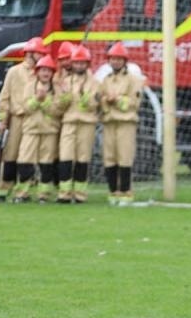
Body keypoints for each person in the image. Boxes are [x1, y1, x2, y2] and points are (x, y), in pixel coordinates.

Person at [0, 36, 45, 202]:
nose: (41, 56)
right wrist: (3, 119)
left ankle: (23, 191)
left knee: (28, 156)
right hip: (16, 118)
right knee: (10, 155)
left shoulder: (42, 73)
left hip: (34, 118)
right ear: (30, 53)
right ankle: (3, 189)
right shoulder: (14, 72)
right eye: (39, 53)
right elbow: (5, 97)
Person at [96, 43, 145, 204]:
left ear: (124, 61)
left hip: (126, 122)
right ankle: (113, 191)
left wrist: (116, 99)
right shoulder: (106, 79)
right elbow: (100, 98)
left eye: (118, 59)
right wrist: (106, 101)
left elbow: (134, 102)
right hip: (109, 121)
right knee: (109, 157)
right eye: (113, 59)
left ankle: (125, 191)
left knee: (125, 156)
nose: (115, 62)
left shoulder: (134, 79)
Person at [53, 43, 97, 202]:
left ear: (87, 64)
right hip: (69, 122)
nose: (79, 65)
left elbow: (95, 105)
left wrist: (83, 95)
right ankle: (64, 194)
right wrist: (65, 97)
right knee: (65, 156)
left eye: (82, 62)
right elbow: (57, 105)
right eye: (77, 62)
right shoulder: (65, 81)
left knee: (82, 158)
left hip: (87, 123)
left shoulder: (94, 82)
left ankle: (80, 194)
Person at [20, 56, 62, 202]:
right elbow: (25, 107)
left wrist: (44, 103)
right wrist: (36, 99)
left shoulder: (57, 89)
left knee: (46, 163)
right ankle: (22, 193)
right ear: (37, 72)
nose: (46, 73)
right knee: (25, 161)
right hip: (31, 129)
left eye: (49, 71)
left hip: (49, 130)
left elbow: (58, 110)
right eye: (43, 70)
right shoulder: (29, 86)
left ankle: (43, 194)